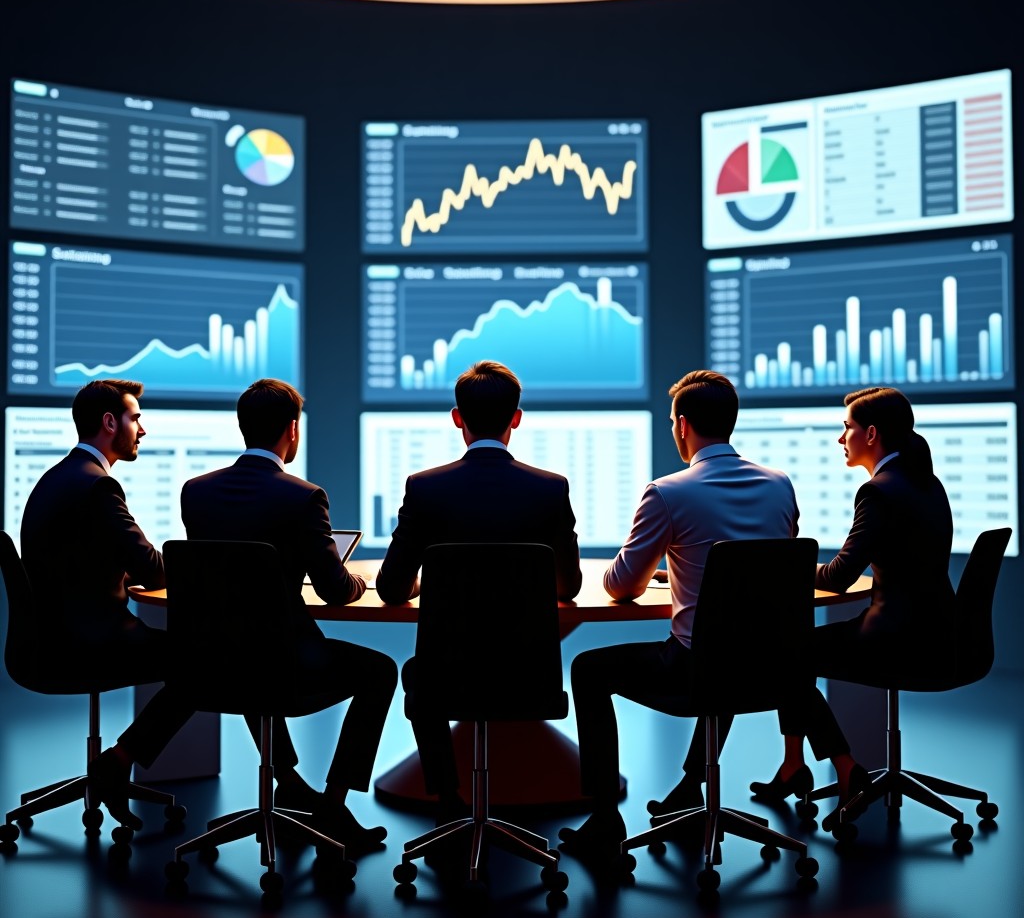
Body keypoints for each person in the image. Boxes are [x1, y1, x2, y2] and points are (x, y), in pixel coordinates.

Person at [560, 370, 800, 857]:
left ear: (683, 425)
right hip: (770, 666)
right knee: (731, 638)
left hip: (697, 670)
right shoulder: (780, 485)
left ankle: (605, 818)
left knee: (588, 669)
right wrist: (686, 572)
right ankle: (691, 785)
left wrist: (654, 568)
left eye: (672, 422)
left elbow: (620, 585)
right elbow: (756, 577)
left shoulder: (669, 492)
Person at [180, 378, 398, 850]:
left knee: (247, 647)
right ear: (292, 430)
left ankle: (290, 781)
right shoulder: (302, 497)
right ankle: (332, 809)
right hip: (287, 663)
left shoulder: (195, 493)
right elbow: (333, 590)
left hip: (216, 660)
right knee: (380, 671)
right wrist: (359, 580)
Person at [376, 360, 583, 819]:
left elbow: (392, 589)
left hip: (445, 679)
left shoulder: (425, 488)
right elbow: (570, 586)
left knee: (420, 674)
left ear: (457, 418)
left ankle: (448, 800)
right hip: (531, 677)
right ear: (516, 418)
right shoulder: (550, 489)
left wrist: (417, 580)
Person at [750, 386, 954, 829]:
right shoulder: (925, 480)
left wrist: (787, 569)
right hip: (940, 632)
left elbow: (841, 575)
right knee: (795, 648)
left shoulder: (878, 491)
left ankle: (844, 767)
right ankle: (793, 766)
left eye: (847, 428)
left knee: (787, 651)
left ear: (872, 434)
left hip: (896, 636)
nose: (841, 439)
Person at [19, 379, 194, 830]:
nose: (143, 430)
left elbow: (83, 558)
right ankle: (118, 760)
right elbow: (154, 570)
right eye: (136, 418)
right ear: (110, 422)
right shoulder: (98, 487)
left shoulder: (59, 477)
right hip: (90, 642)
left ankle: (115, 762)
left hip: (47, 640)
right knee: (202, 660)